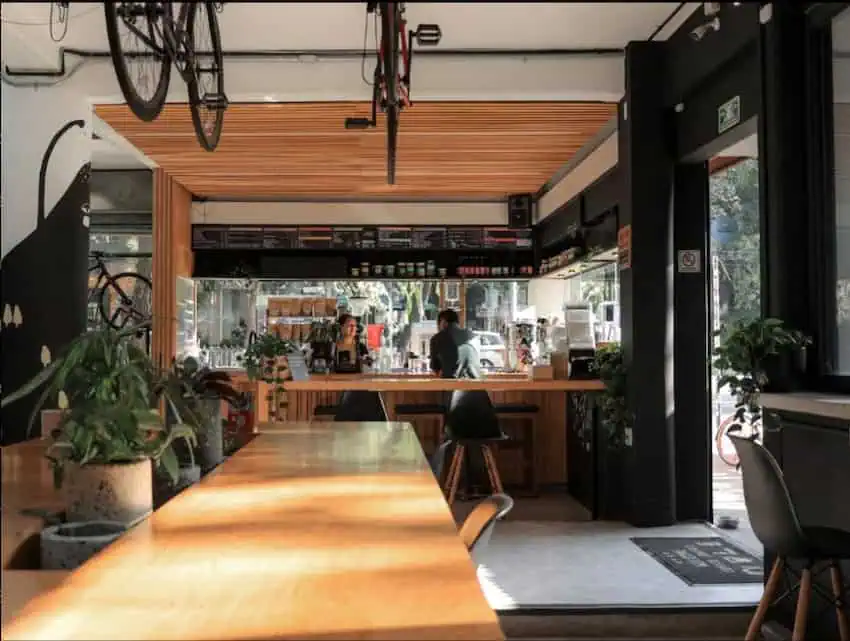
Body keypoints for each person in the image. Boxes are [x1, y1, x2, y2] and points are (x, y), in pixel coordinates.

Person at [429, 309, 481, 379]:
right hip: (476, 385)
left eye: (439, 324)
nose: (438, 327)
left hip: (450, 386)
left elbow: (435, 368)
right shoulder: (473, 336)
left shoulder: (436, 339)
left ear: (443, 322)